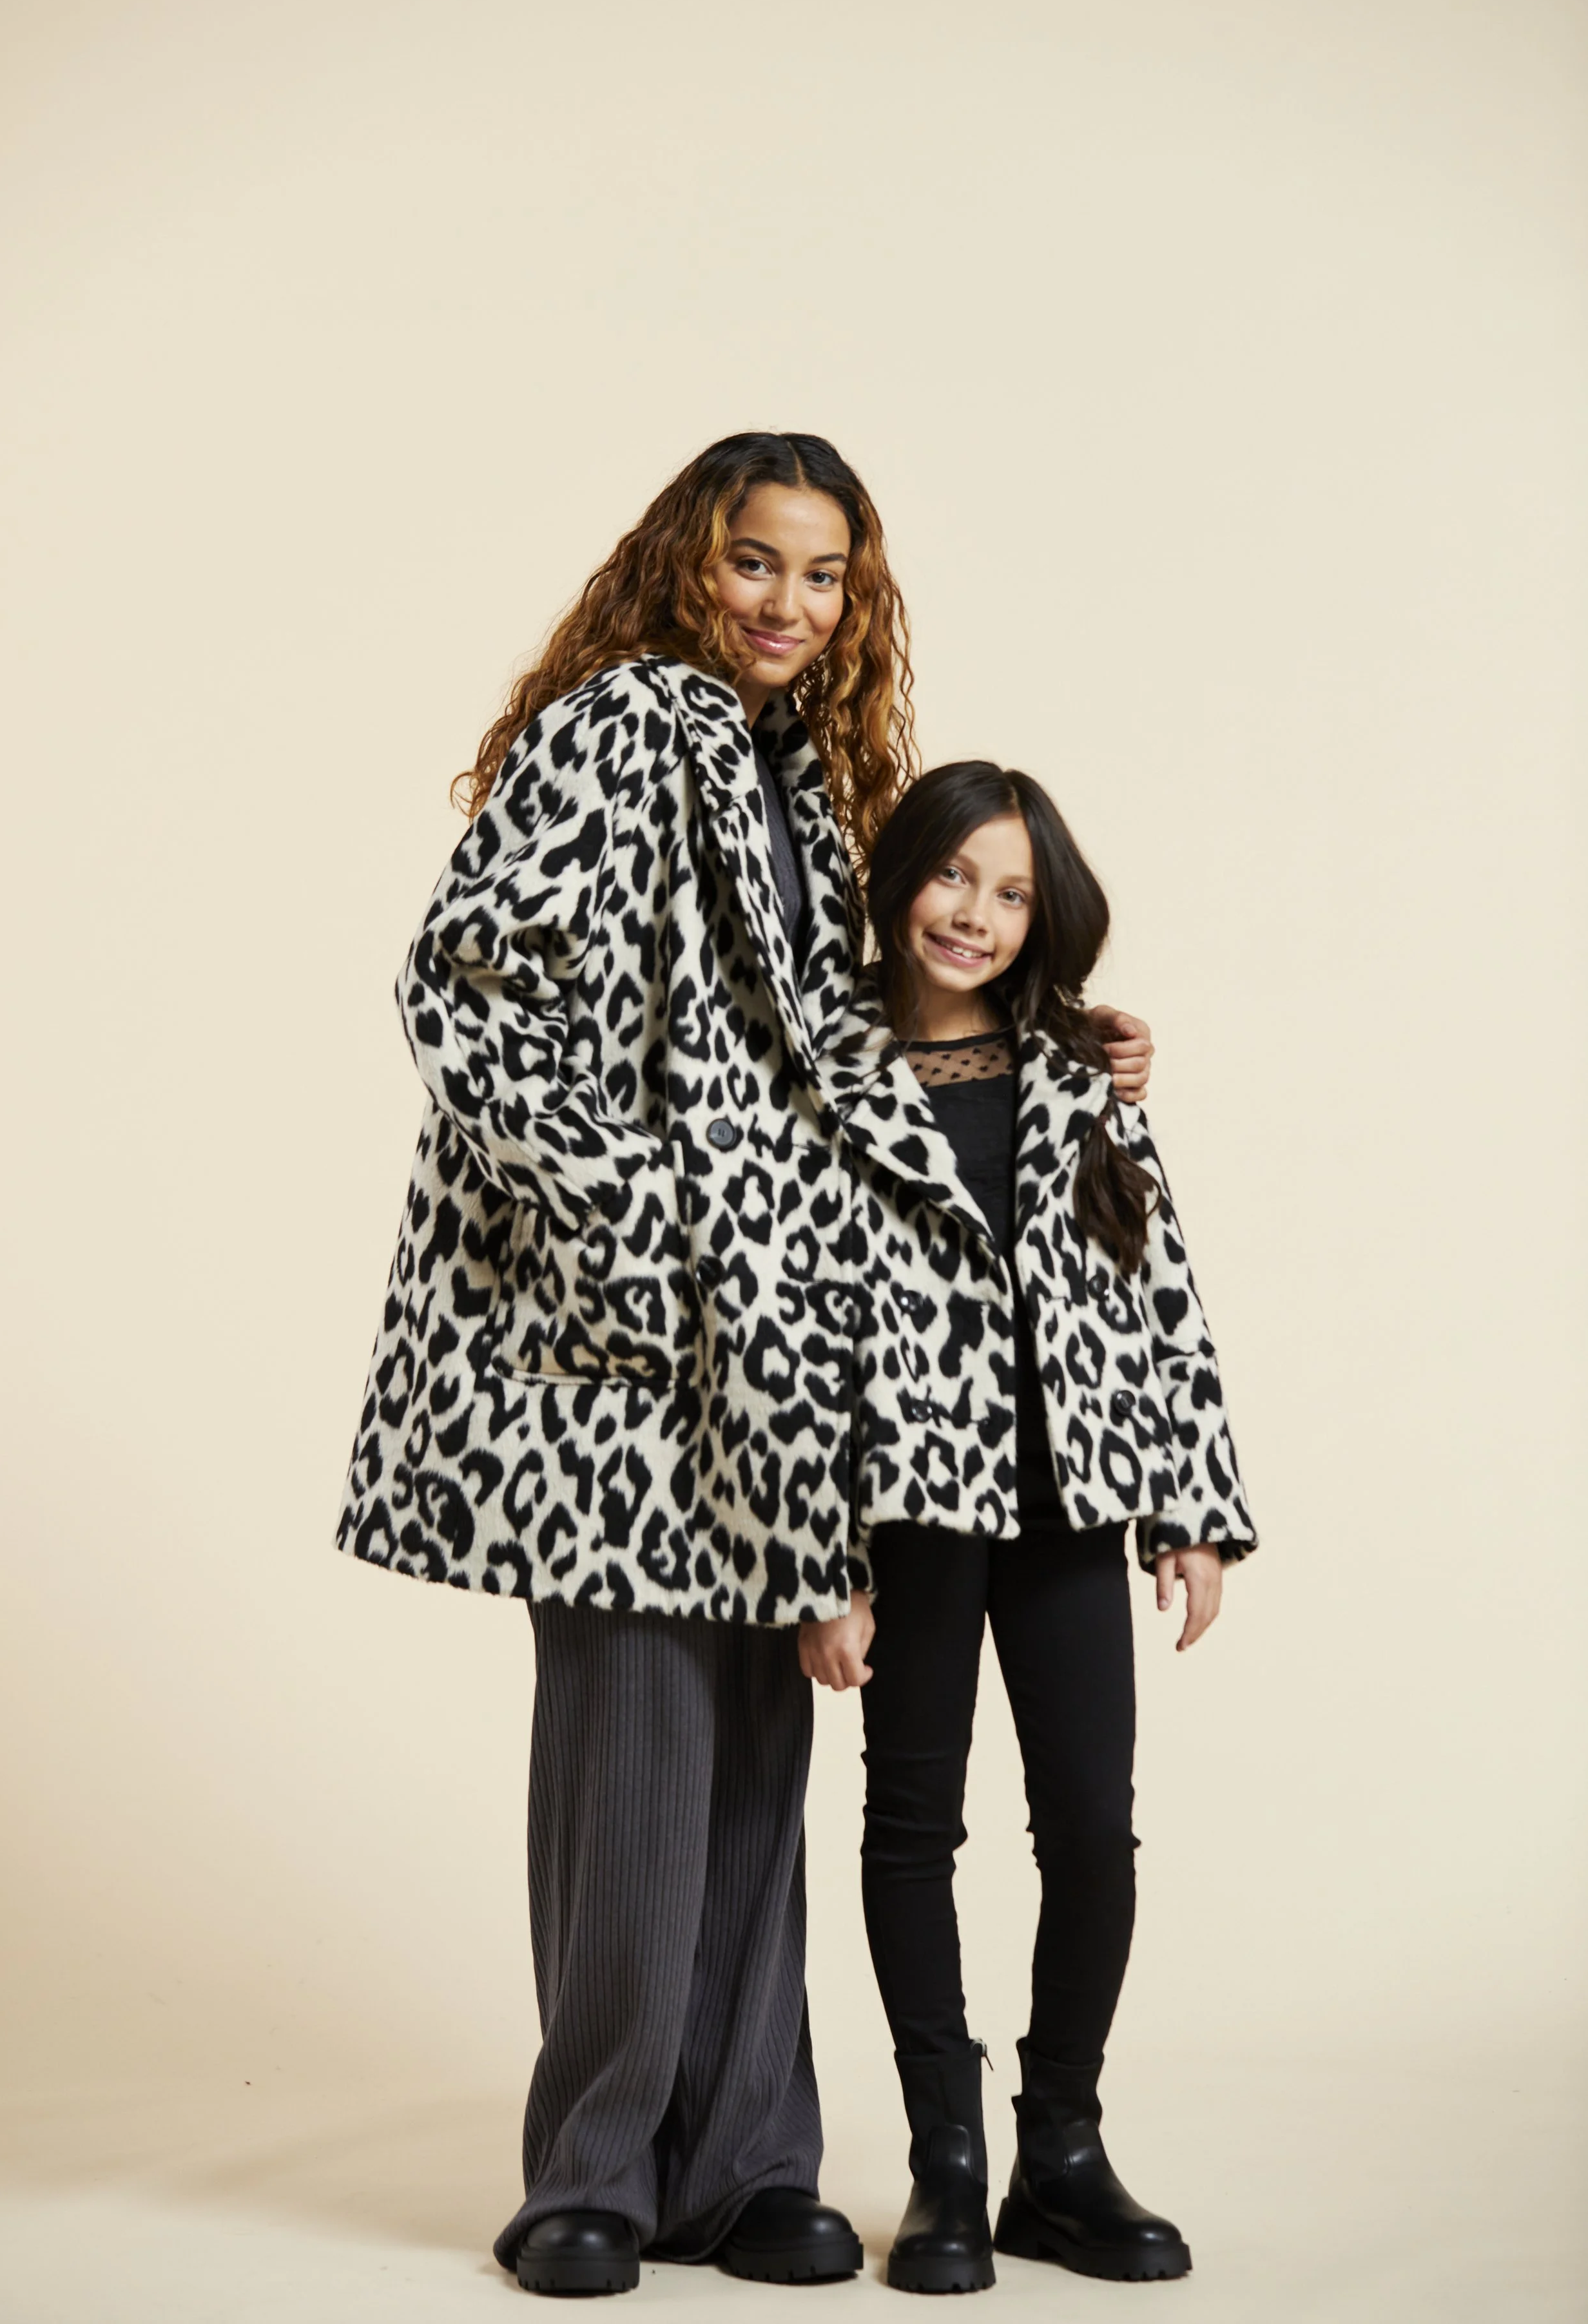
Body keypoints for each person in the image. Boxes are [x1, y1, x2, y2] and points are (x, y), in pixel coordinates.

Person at [336, 439, 1155, 2296]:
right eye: (754, 561)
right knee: (634, 1754)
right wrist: (639, 1219)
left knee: (758, 1756)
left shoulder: (792, 774)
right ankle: (595, 2171)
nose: (788, 602)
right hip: (618, 1348)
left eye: (823, 573)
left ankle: (747, 2160)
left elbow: (853, 1026)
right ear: (684, 561)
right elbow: (461, 984)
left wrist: (1062, 1037)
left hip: (775, 1353)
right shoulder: (623, 724)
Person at [800, 762, 1255, 2294]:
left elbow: (1155, 1287)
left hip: (1069, 1501)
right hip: (906, 1514)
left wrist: (1188, 1508)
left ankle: (1059, 2153)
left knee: (1088, 1832)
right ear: (898, 879)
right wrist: (817, 1565)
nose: (974, 915)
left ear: (1041, 917)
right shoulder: (817, 1075)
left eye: (1010, 893)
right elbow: (785, 1340)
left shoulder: (1077, 1074)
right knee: (908, 1829)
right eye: (952, 876)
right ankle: (944, 2164)